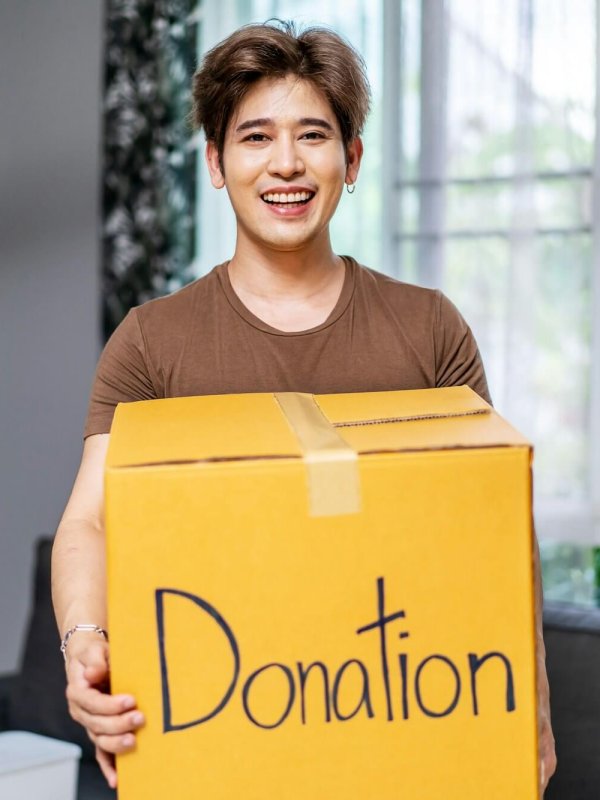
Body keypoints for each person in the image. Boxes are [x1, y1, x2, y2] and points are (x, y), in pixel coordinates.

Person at [51, 19, 556, 793]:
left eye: (313, 135)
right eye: (255, 138)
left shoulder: (428, 329)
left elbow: (493, 529)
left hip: (403, 719)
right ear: (216, 163)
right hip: (219, 730)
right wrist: (85, 640)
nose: (286, 163)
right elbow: (89, 517)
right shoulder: (152, 343)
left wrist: (532, 714)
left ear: (351, 159)